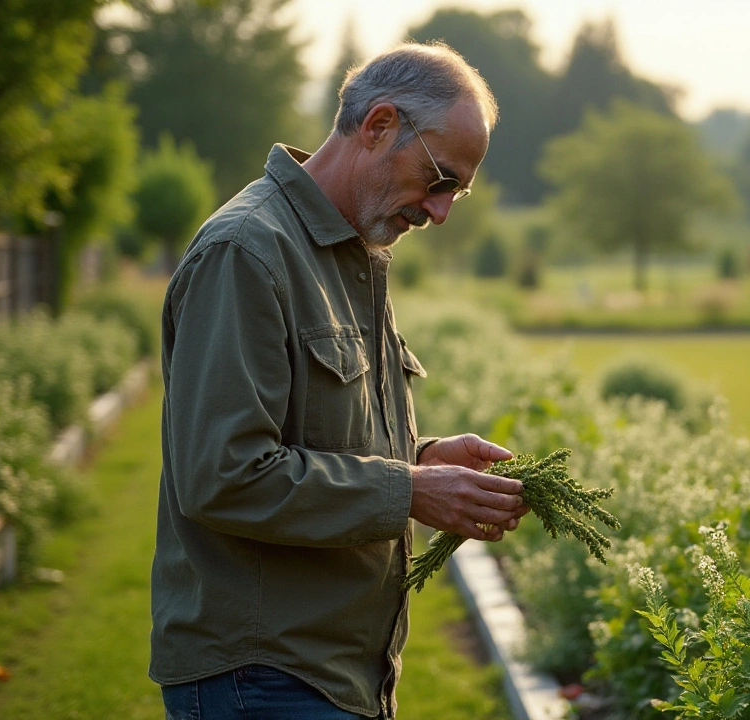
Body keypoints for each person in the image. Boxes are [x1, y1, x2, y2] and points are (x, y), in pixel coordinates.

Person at [150, 43, 529, 720]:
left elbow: (313, 438)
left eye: (457, 194)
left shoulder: (348, 252)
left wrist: (421, 461)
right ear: (379, 124)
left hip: (325, 673)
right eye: (437, 178)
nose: (440, 212)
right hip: (262, 676)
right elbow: (224, 475)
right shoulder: (248, 252)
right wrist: (409, 490)